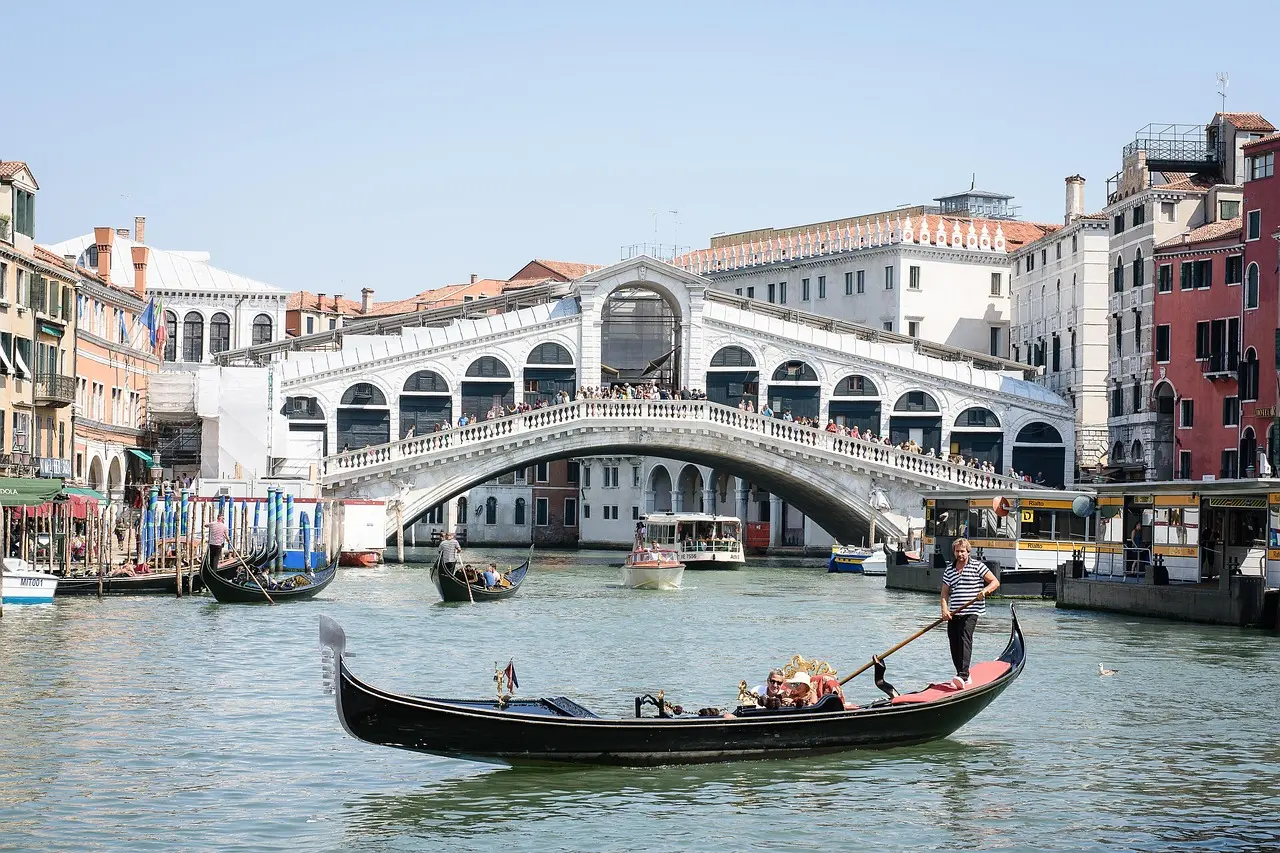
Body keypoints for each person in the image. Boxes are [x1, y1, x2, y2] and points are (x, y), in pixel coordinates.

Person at [940, 537, 1000, 690]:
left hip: (972, 611)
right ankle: (961, 673)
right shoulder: (949, 569)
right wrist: (945, 610)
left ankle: (964, 676)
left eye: (962, 551)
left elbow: (995, 582)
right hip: (955, 612)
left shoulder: (977, 566)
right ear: (954, 552)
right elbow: (944, 593)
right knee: (953, 641)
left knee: (964, 639)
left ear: (968, 552)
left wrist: (984, 591)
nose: (960, 554)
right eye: (957, 551)